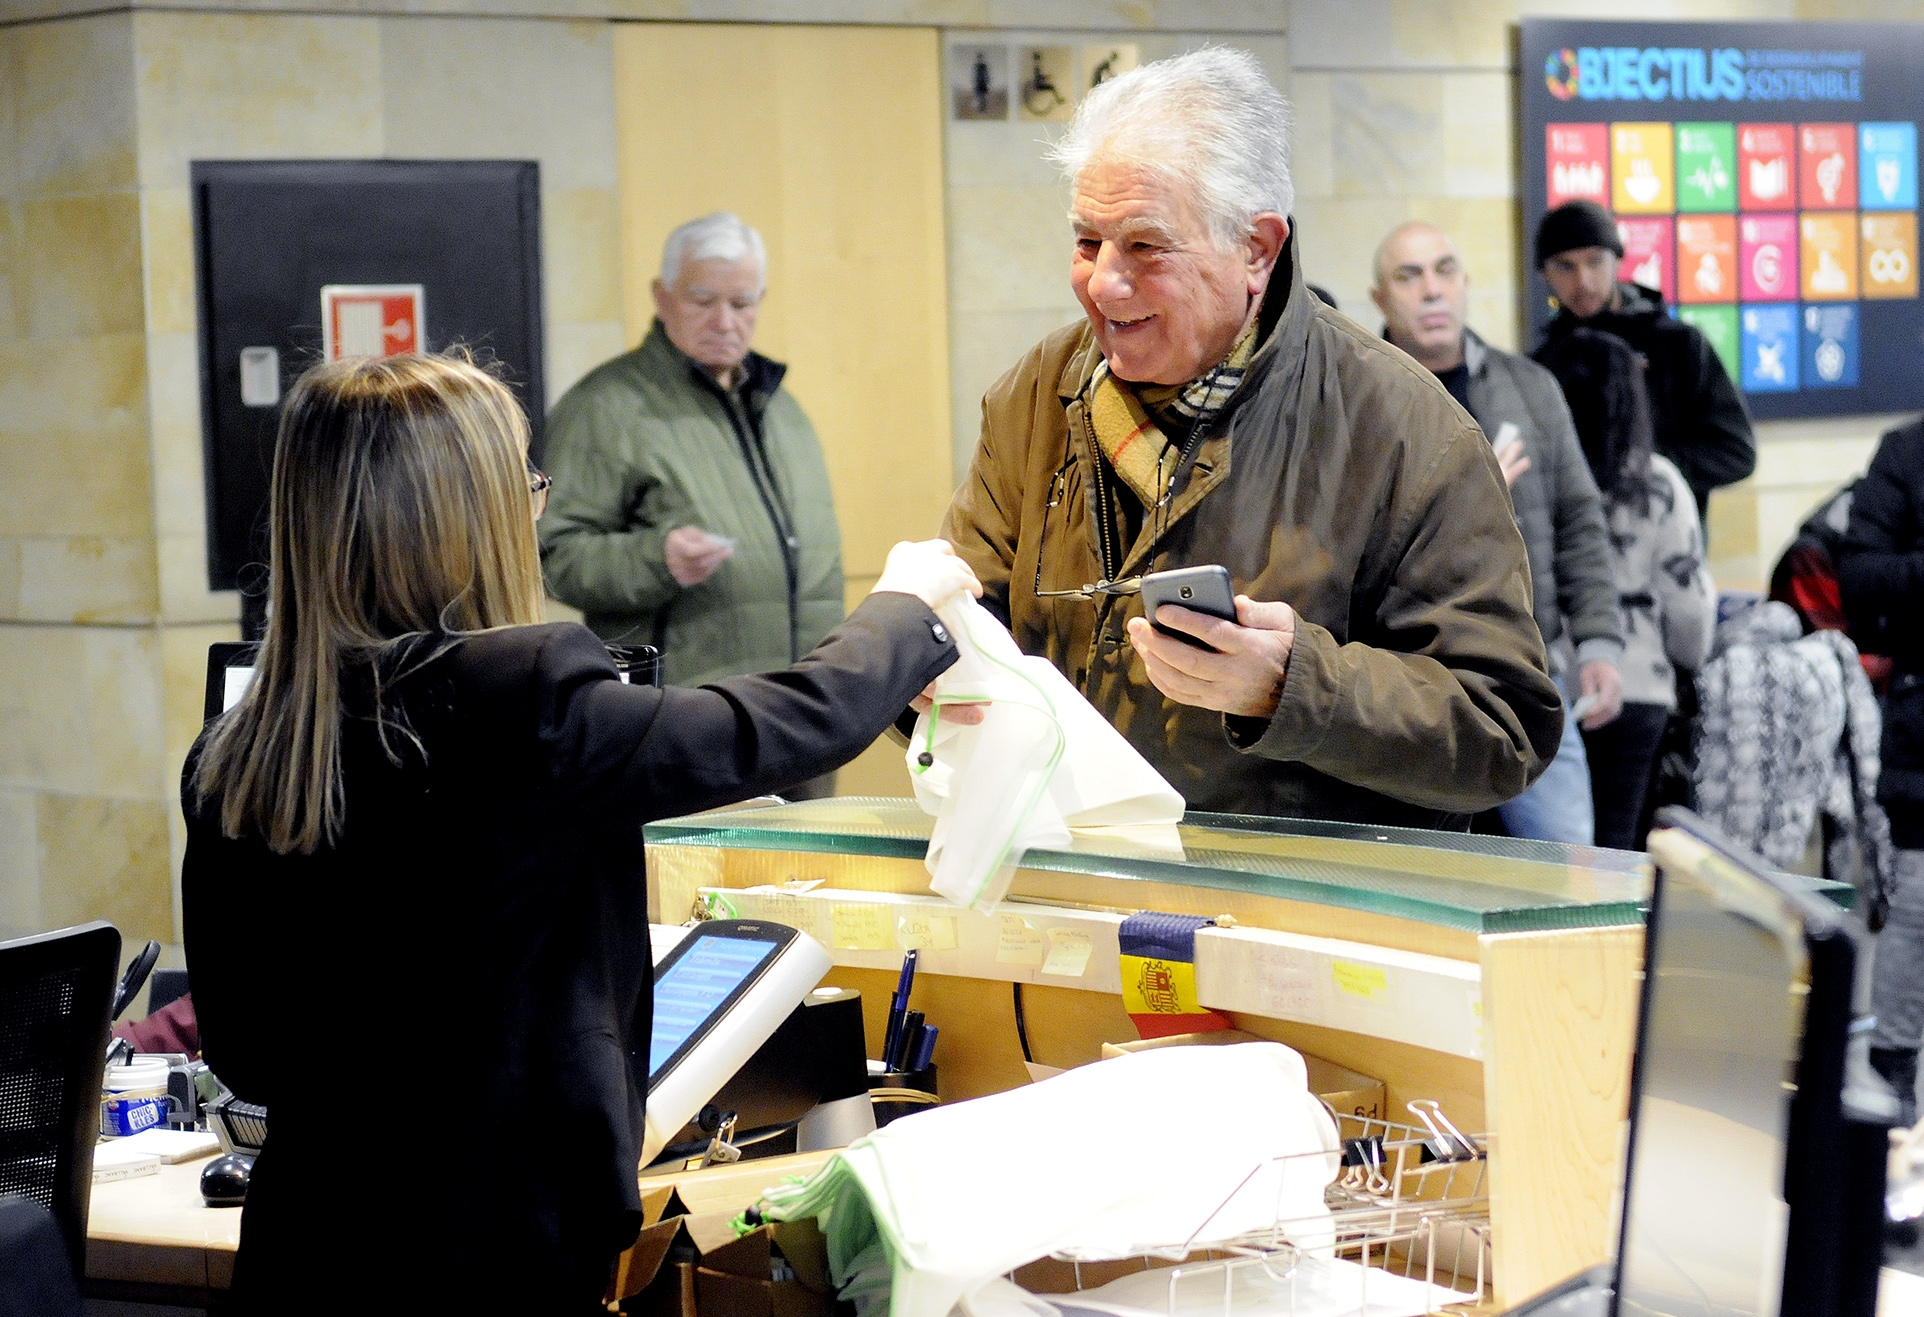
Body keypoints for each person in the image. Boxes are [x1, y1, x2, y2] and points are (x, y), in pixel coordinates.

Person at [180, 353, 977, 1312]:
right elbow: (768, 729)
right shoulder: (515, 695)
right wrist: (903, 609)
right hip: (497, 1263)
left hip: (309, 1244)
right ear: (466, 519)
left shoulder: (241, 751)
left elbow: (248, 1050)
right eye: (523, 484)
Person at [937, 49, 1562, 827]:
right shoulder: (1034, 394)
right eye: (1088, 241)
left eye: (1145, 245)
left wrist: (1292, 684)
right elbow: (965, 624)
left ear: (1257, 250)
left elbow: (1501, 731)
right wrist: (923, 664)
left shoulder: (1408, 430)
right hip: (1072, 898)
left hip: (1298, 924)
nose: (1102, 282)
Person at [539, 214, 845, 756]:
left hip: (804, 717)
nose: (725, 322)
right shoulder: (606, 407)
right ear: (662, 297)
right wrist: (658, 560)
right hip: (690, 726)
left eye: (743, 303)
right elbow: (552, 556)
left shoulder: (784, 411)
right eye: (703, 301)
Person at [1371, 221, 1622, 845]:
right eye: (1409, 276)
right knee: (1423, 884)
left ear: (1465, 284)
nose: (1431, 290)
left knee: (1568, 877)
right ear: (1379, 298)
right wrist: (1467, 504)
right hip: (1409, 684)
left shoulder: (1529, 387)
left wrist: (1598, 642)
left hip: (1530, 673)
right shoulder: (1359, 396)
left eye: (1445, 270)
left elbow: (1579, 522)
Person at [1534, 328, 1716, 851]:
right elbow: (1688, 608)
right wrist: (1687, 663)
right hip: (1639, 684)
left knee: (1553, 853)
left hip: (1552, 681)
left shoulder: (1541, 481)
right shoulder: (1659, 483)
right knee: (1620, 845)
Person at [1535, 199, 1756, 525]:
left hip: (1667, 548)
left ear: (1617, 260)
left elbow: (1735, 453)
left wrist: (1642, 468)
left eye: (1595, 262)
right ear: (1544, 274)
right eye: (1565, 266)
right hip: (1583, 546)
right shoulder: (1545, 363)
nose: (1582, 281)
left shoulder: (1678, 344)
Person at [1837, 415, 1924, 1126]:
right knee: (1915, 915)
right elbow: (1858, 578)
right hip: (1921, 730)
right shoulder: (1906, 452)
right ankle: (1893, 1107)